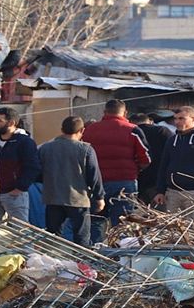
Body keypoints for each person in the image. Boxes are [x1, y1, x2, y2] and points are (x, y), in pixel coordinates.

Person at [82, 99, 150, 244]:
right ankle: (121, 255)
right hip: (125, 182)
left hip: (95, 183)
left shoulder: (89, 130)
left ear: (104, 112)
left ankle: (95, 252)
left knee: (96, 221)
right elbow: (146, 158)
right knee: (122, 223)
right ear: (125, 113)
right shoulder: (132, 130)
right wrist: (136, 168)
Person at [39, 116, 105, 247]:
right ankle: (81, 264)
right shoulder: (86, 149)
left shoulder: (45, 148)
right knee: (81, 238)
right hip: (78, 199)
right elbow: (94, 175)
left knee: (52, 236)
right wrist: (99, 197)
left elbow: (38, 172)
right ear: (82, 130)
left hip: (53, 198)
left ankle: (52, 261)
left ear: (62, 129)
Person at [0, 108, 40, 222]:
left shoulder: (25, 142)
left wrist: (19, 188)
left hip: (14, 194)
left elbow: (33, 167)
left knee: (19, 229)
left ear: (11, 123)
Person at [129, 113, 173, 205]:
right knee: (160, 214)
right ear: (150, 121)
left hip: (136, 181)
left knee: (137, 216)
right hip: (158, 181)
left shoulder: (129, 133)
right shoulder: (162, 131)